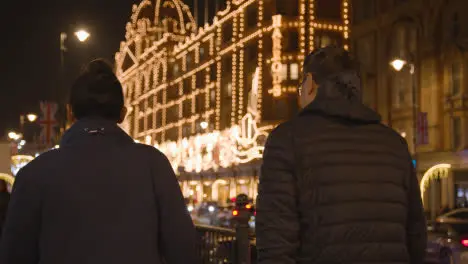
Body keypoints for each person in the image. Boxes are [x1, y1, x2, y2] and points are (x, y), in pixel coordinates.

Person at [0, 59, 198, 264]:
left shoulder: (34, 173)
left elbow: (14, 253)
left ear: (70, 112)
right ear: (122, 114)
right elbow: (182, 247)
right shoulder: (154, 165)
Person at [256, 46, 427, 264]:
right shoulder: (394, 143)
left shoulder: (286, 140)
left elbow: (275, 241)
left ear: (309, 84)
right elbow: (416, 236)